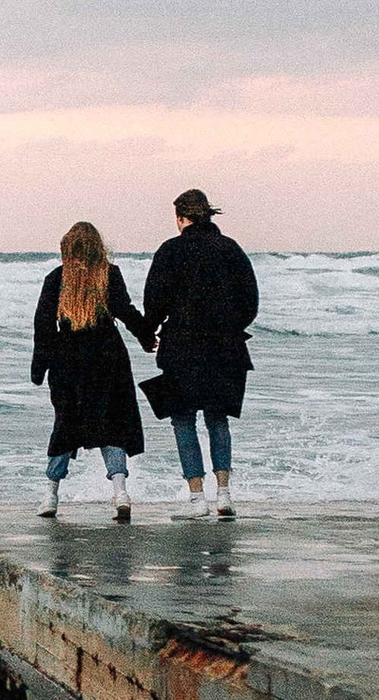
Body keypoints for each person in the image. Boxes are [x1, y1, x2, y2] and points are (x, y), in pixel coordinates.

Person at [141, 188, 260, 514]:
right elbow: (251, 301)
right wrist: (230, 327)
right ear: (207, 215)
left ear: (181, 217)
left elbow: (154, 301)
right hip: (227, 348)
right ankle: (223, 495)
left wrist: (147, 333)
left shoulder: (170, 250)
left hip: (182, 347)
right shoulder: (231, 249)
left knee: (183, 421)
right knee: (218, 419)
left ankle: (196, 498)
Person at [29, 220, 153, 520]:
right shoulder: (109, 274)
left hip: (67, 361)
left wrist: (39, 368)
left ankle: (51, 496)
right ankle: (120, 492)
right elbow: (125, 311)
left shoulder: (55, 278)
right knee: (112, 425)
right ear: (98, 248)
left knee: (65, 427)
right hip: (108, 360)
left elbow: (43, 327)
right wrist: (147, 337)